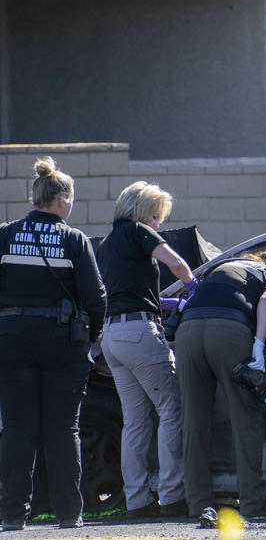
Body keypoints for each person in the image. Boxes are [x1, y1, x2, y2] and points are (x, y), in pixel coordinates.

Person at [0, 157, 106, 530]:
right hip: (63, 342)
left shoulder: (6, 234)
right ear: (61, 200)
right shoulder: (73, 239)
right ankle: (68, 515)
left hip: (11, 339)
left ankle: (13, 516)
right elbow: (96, 298)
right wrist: (87, 341)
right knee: (63, 428)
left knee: (16, 427)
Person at [97, 181, 196, 518]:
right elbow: (178, 265)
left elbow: (127, 292)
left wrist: (166, 302)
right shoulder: (140, 232)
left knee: (136, 421)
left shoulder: (108, 243)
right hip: (139, 333)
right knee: (172, 409)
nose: (159, 224)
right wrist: (195, 287)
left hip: (112, 336)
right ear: (143, 213)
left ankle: (137, 500)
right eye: (157, 216)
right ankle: (172, 496)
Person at [175, 251, 266, 518]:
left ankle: (198, 503)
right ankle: (253, 502)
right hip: (229, 330)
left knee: (194, 421)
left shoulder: (222, 267)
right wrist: (259, 345)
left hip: (188, 332)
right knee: (245, 415)